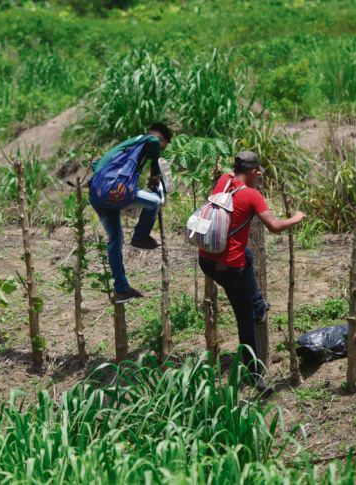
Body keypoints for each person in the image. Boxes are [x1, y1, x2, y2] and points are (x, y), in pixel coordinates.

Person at [198, 151, 305, 396]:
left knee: (247, 254)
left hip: (206, 259)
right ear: (254, 172)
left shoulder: (224, 180)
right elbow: (274, 227)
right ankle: (255, 374)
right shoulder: (252, 195)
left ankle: (257, 303)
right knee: (245, 318)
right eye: (258, 173)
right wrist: (296, 218)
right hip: (230, 267)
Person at [90, 122, 172, 304]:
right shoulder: (152, 140)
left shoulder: (124, 146)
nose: (160, 150)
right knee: (155, 202)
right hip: (117, 191)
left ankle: (121, 290)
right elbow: (155, 156)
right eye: (163, 145)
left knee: (115, 241)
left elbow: (96, 166)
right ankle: (140, 236)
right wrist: (155, 177)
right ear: (161, 138)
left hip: (99, 196)